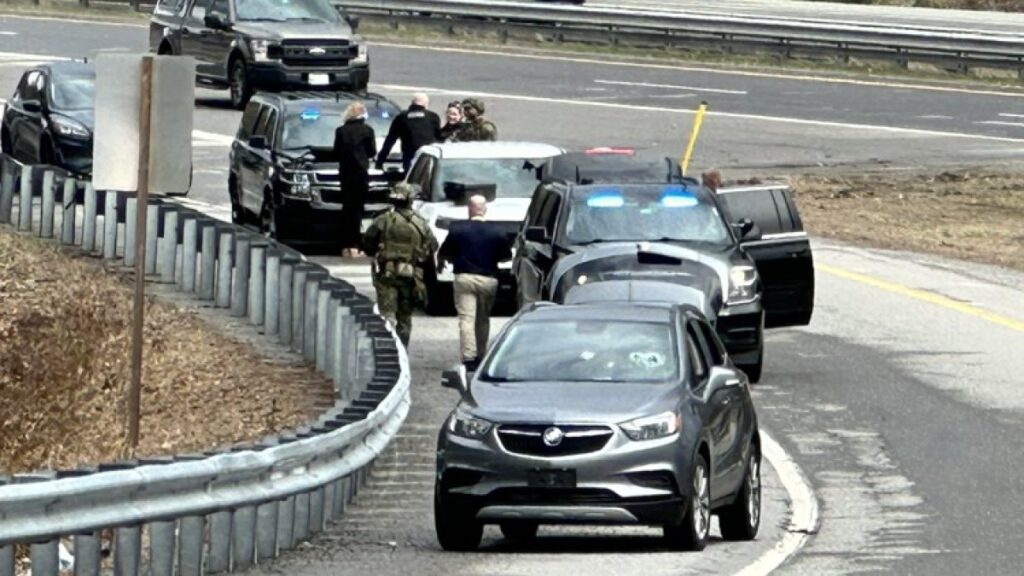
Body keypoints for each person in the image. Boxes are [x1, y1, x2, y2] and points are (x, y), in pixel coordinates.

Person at [437, 195, 512, 370]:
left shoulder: (457, 229)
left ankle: (469, 357)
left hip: (464, 278)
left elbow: (445, 251)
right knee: (483, 319)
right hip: (488, 279)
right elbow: (506, 256)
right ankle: (481, 354)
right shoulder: (498, 231)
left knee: (466, 319)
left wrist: (444, 262)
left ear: (469, 209)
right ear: (484, 209)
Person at [363, 183, 439, 347]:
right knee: (405, 317)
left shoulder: (384, 220)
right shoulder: (421, 223)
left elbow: (368, 240)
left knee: (387, 313)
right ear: (411, 200)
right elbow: (433, 246)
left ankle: (387, 349)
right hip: (411, 276)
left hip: (387, 274)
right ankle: (402, 350)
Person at [334, 101, 377, 257]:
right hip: (361, 173)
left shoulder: (341, 131)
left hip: (345, 174)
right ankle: (356, 244)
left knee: (347, 208)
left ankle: (345, 244)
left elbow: (336, 151)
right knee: (358, 210)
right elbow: (372, 152)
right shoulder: (367, 130)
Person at [375, 92, 441, 172]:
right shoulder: (433, 117)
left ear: (412, 103)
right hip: (428, 159)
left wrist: (380, 161)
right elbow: (439, 139)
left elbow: (390, 140)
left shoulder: (402, 117)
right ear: (426, 104)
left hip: (409, 158)